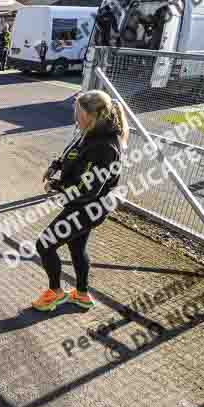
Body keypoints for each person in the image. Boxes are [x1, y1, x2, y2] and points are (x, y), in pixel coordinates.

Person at [31, 90, 128, 312]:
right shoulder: (91, 131)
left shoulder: (106, 145)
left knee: (44, 244)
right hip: (83, 205)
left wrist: (57, 186)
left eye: (79, 113)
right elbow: (74, 153)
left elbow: (89, 189)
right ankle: (82, 294)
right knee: (76, 247)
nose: (75, 118)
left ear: (91, 115)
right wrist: (56, 165)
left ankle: (55, 293)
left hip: (88, 207)